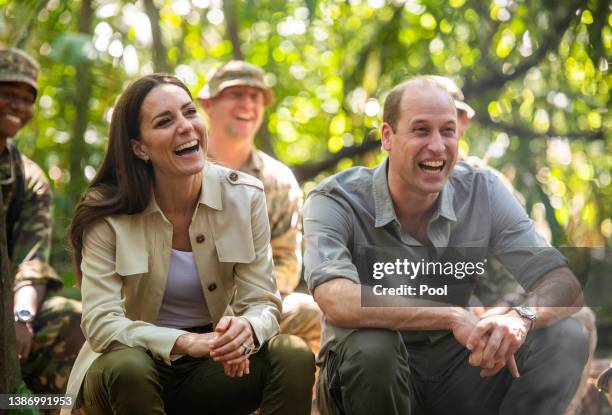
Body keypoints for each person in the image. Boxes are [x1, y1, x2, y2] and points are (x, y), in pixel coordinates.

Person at [303, 76, 589, 415]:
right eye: (421, 130)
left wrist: (520, 318)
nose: (438, 146)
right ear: (387, 137)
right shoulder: (335, 198)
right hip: (367, 378)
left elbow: (563, 284)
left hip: (458, 372)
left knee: (566, 336)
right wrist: (450, 314)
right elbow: (335, 297)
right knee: (374, 347)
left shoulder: (484, 190)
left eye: (448, 131)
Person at [63, 74, 314, 415]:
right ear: (140, 147)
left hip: (209, 367)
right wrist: (185, 342)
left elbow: (265, 304)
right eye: (165, 121)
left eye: (190, 112)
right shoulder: (106, 212)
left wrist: (246, 329)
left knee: (293, 354)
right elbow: (101, 323)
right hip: (127, 367)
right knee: (130, 368)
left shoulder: (245, 196)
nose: (185, 126)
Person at [198, 60, 321, 355]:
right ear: (208, 104)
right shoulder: (180, 164)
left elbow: (286, 266)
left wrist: (241, 310)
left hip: (250, 308)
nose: (247, 104)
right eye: (236, 94)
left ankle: (290, 397)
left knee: (310, 312)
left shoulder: (277, 181)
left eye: (256, 97)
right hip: (180, 304)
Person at [0, 47, 83, 395]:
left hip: (5, 302)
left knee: (74, 321)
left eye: (26, 98)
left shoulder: (27, 178)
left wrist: (21, 317)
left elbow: (30, 260)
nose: (18, 106)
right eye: (7, 94)